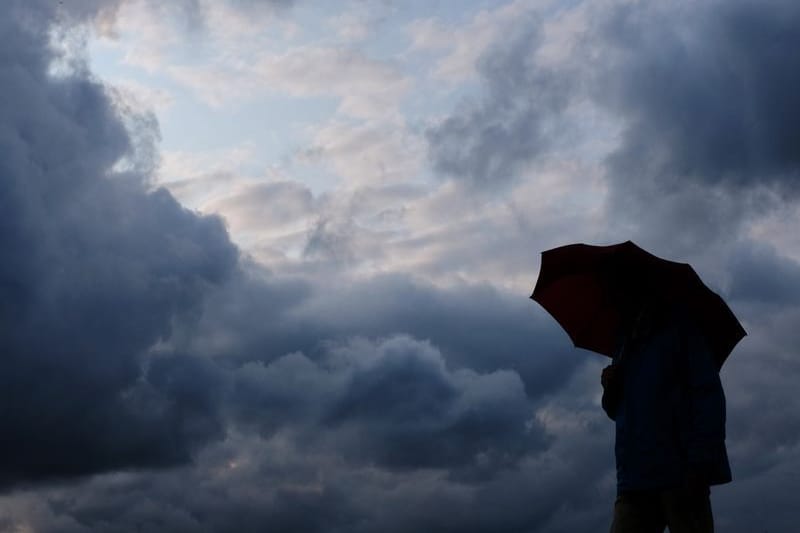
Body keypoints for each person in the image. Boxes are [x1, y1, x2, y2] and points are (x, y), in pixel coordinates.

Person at [601, 297, 731, 533]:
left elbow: (708, 396)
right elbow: (621, 411)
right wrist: (610, 390)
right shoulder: (624, 342)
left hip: (682, 475)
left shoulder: (681, 330)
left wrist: (699, 464)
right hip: (634, 478)